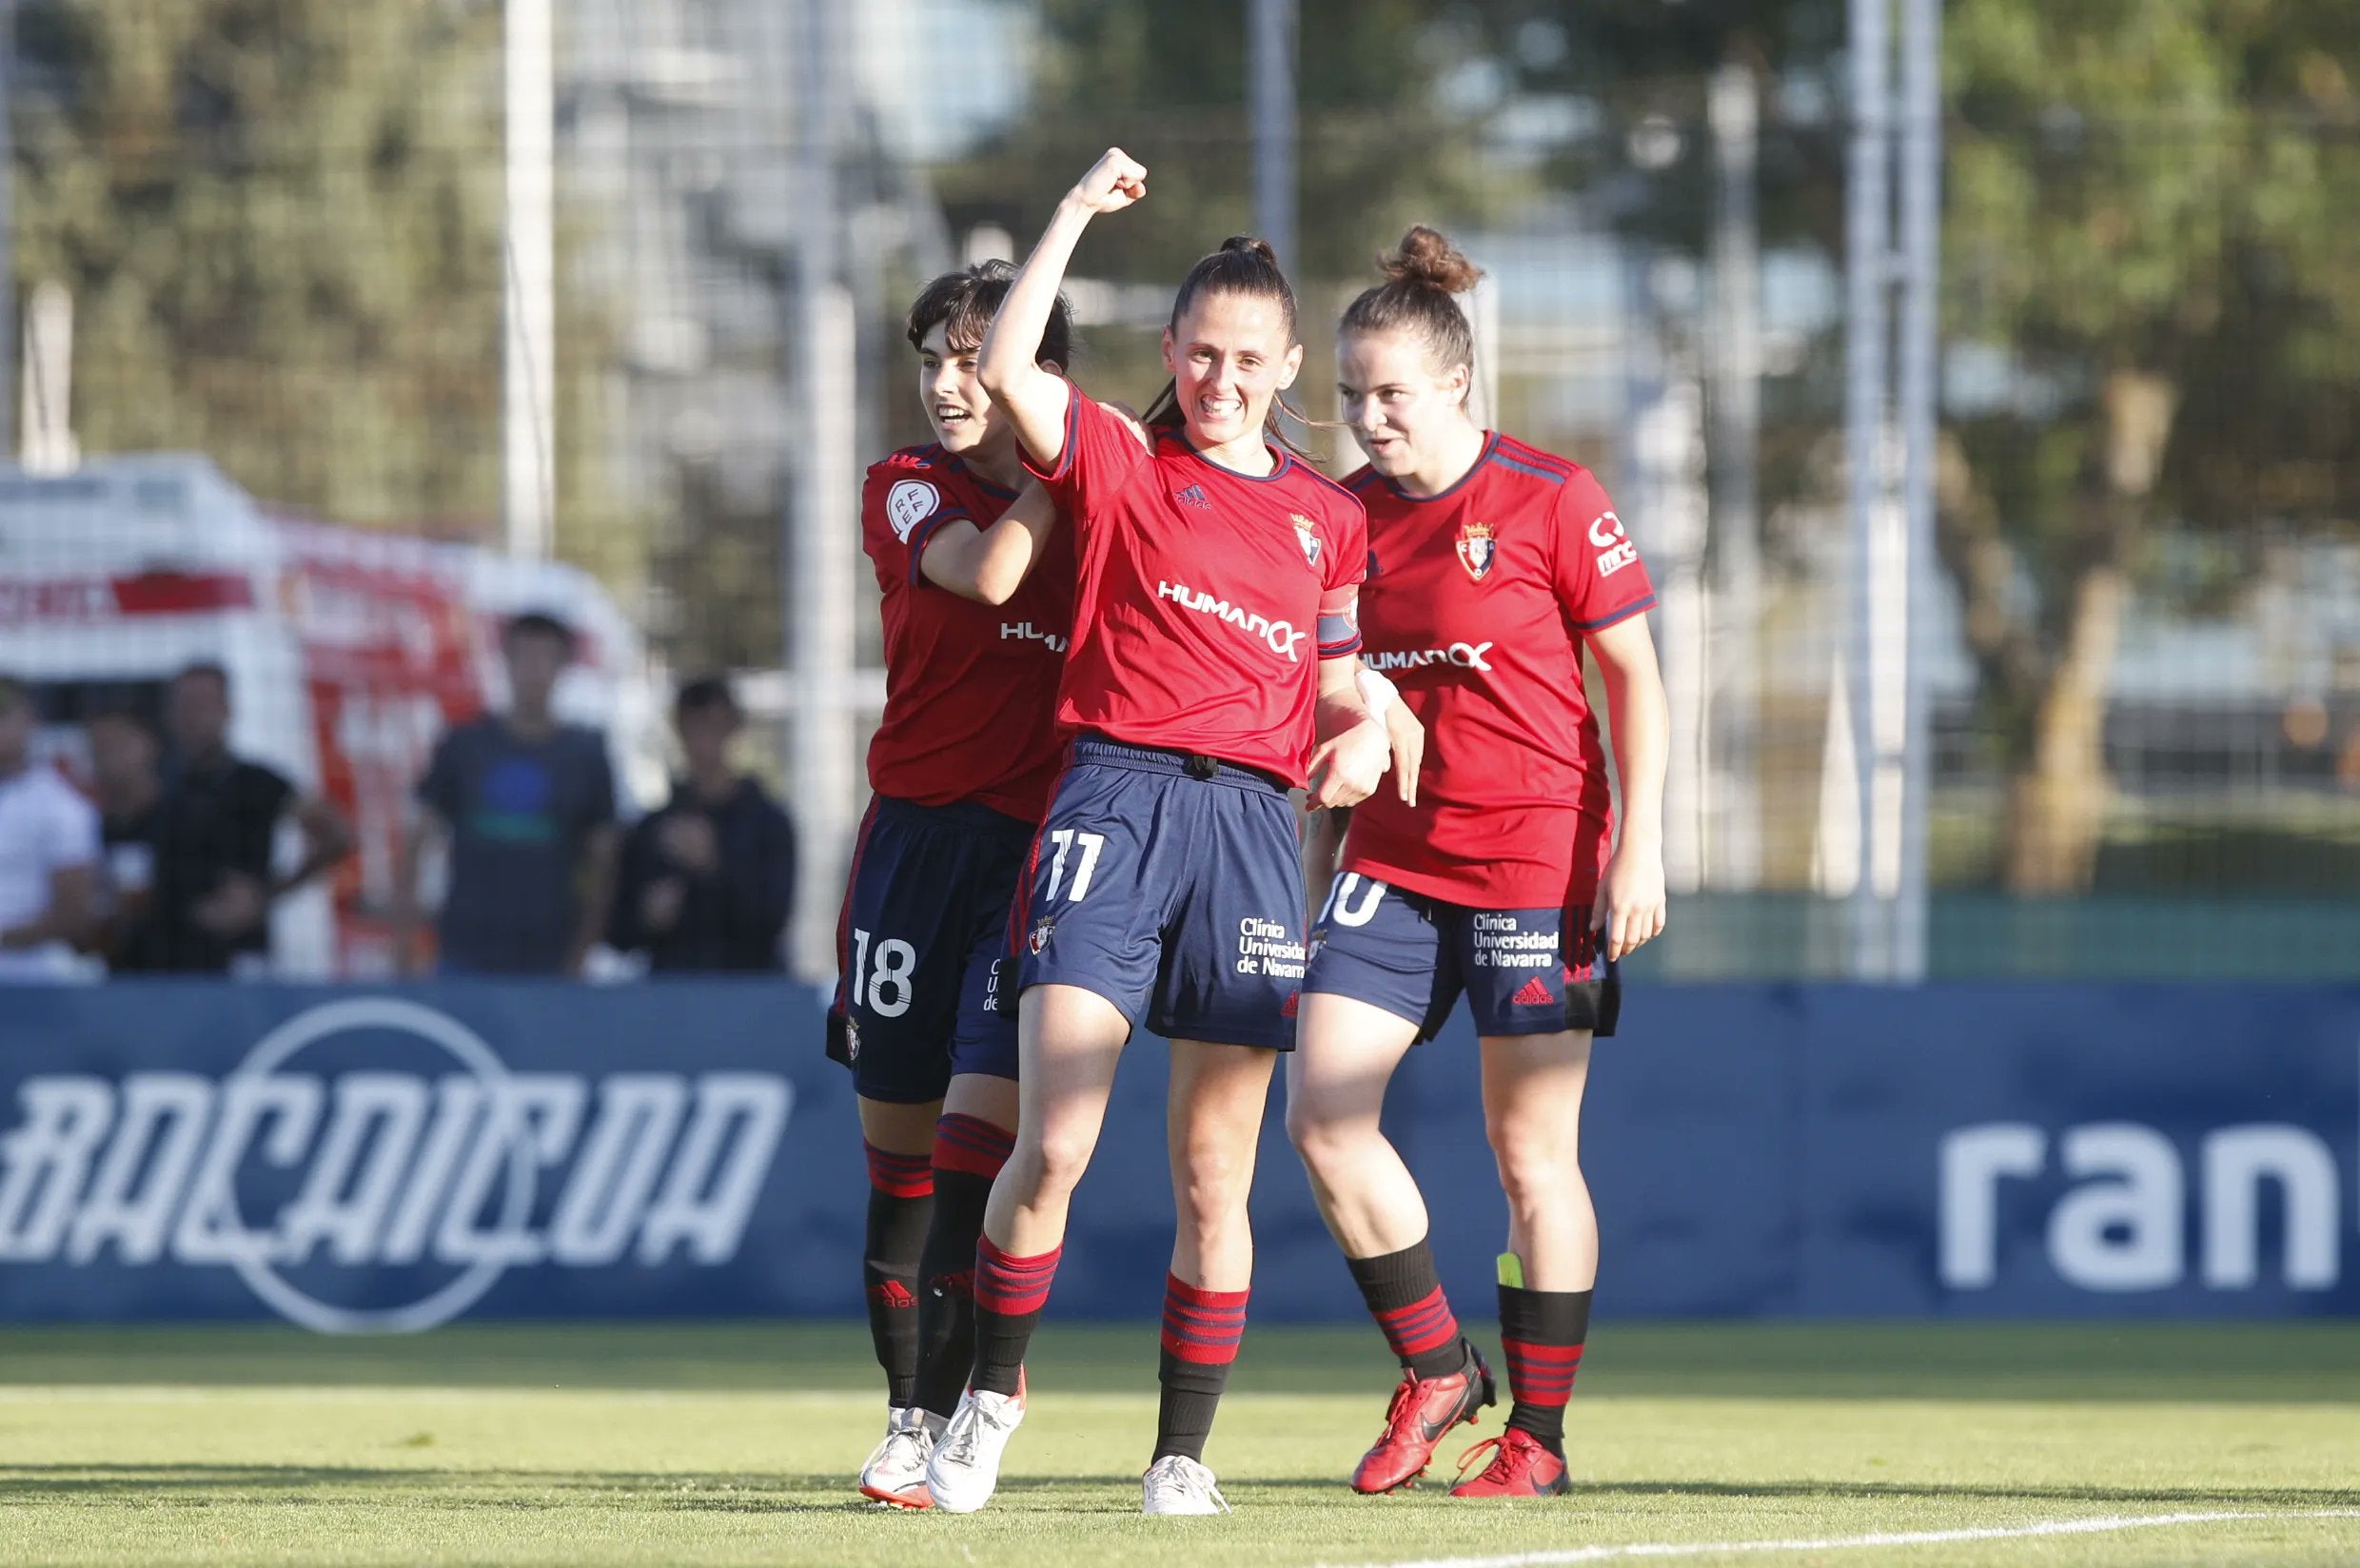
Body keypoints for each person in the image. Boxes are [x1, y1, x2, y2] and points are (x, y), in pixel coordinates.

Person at [923, 148, 1395, 1518]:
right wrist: (1072, 214)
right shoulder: (1123, 461)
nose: (1224, 379)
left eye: (1250, 358)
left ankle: (1182, 1456)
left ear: (1289, 361)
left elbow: (1334, 683)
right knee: (1057, 1141)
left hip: (1250, 834)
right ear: (1172, 351)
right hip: (1113, 804)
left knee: (1212, 1173)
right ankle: (990, 1402)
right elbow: (1014, 374)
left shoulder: (1327, 520)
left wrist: (1365, 730)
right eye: (1201, 353)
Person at [1288, 227, 1670, 1499]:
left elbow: (1638, 683)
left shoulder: (1553, 498)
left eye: (1389, 392)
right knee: (1323, 1119)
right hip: (1392, 865)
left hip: (1535, 864)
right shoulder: (1341, 518)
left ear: (1457, 382)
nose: (1368, 415)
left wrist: (1640, 848)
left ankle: (1539, 1443)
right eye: (1350, 394)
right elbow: (1333, 698)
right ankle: (1436, 1363)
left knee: (1530, 1160)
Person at [834, 261, 1079, 1509]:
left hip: (1031, 859)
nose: (945, 384)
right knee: (902, 1169)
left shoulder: (1104, 509)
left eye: (975, 359)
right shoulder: (904, 488)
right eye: (934, 359)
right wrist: (1070, 465)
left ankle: (937, 1420)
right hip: (910, 851)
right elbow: (985, 574)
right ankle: (905, 1404)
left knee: (979, 1153)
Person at [394, 612, 619, 976]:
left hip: (550, 955)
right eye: (525, 655)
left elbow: (604, 866)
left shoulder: (587, 756)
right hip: (466, 950)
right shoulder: (463, 745)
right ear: (506, 660)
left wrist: (581, 954)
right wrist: (402, 951)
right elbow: (417, 845)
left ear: (564, 667)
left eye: (547, 658)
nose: (535, 670)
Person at [119, 662, 352, 974]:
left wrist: (266, 894)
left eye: (203, 705)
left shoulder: (256, 782)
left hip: (234, 955)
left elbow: (337, 835)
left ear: (226, 711)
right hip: (162, 956)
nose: (193, 717)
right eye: (185, 705)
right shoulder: (157, 784)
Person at [608, 676, 794, 972]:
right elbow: (618, 933)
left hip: (751, 993)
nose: (704, 743)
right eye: (694, 728)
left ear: (735, 730)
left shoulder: (768, 824)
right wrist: (646, 917)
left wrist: (713, 866)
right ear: (679, 732)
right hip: (674, 997)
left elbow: (774, 920)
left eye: (715, 728)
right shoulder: (652, 828)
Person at [0, 675, 99, 980]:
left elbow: (73, 915)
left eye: (3, 714)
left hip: (32, 981)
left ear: (30, 720)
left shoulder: (61, 806)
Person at [81, 706, 164, 965]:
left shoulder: (189, 817)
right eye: (97, 749)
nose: (106, 758)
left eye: (116, 745)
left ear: (148, 746)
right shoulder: (87, 828)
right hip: (118, 977)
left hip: (194, 977)